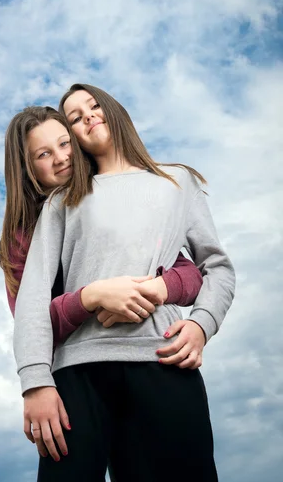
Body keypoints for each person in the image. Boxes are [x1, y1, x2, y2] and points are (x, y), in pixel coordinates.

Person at [14, 85, 235, 481]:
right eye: (75, 117)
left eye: (93, 106)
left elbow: (215, 267)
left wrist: (202, 324)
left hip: (162, 360)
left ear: (114, 109)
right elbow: (31, 299)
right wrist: (35, 383)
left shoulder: (176, 181)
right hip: (76, 375)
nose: (87, 117)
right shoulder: (62, 199)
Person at [0, 107, 203, 348]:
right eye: (43, 154)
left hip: (149, 350)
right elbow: (30, 323)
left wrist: (151, 290)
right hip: (77, 366)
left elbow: (189, 275)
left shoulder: (120, 203)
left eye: (65, 144)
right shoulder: (22, 238)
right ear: (26, 168)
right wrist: (92, 297)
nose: (61, 158)